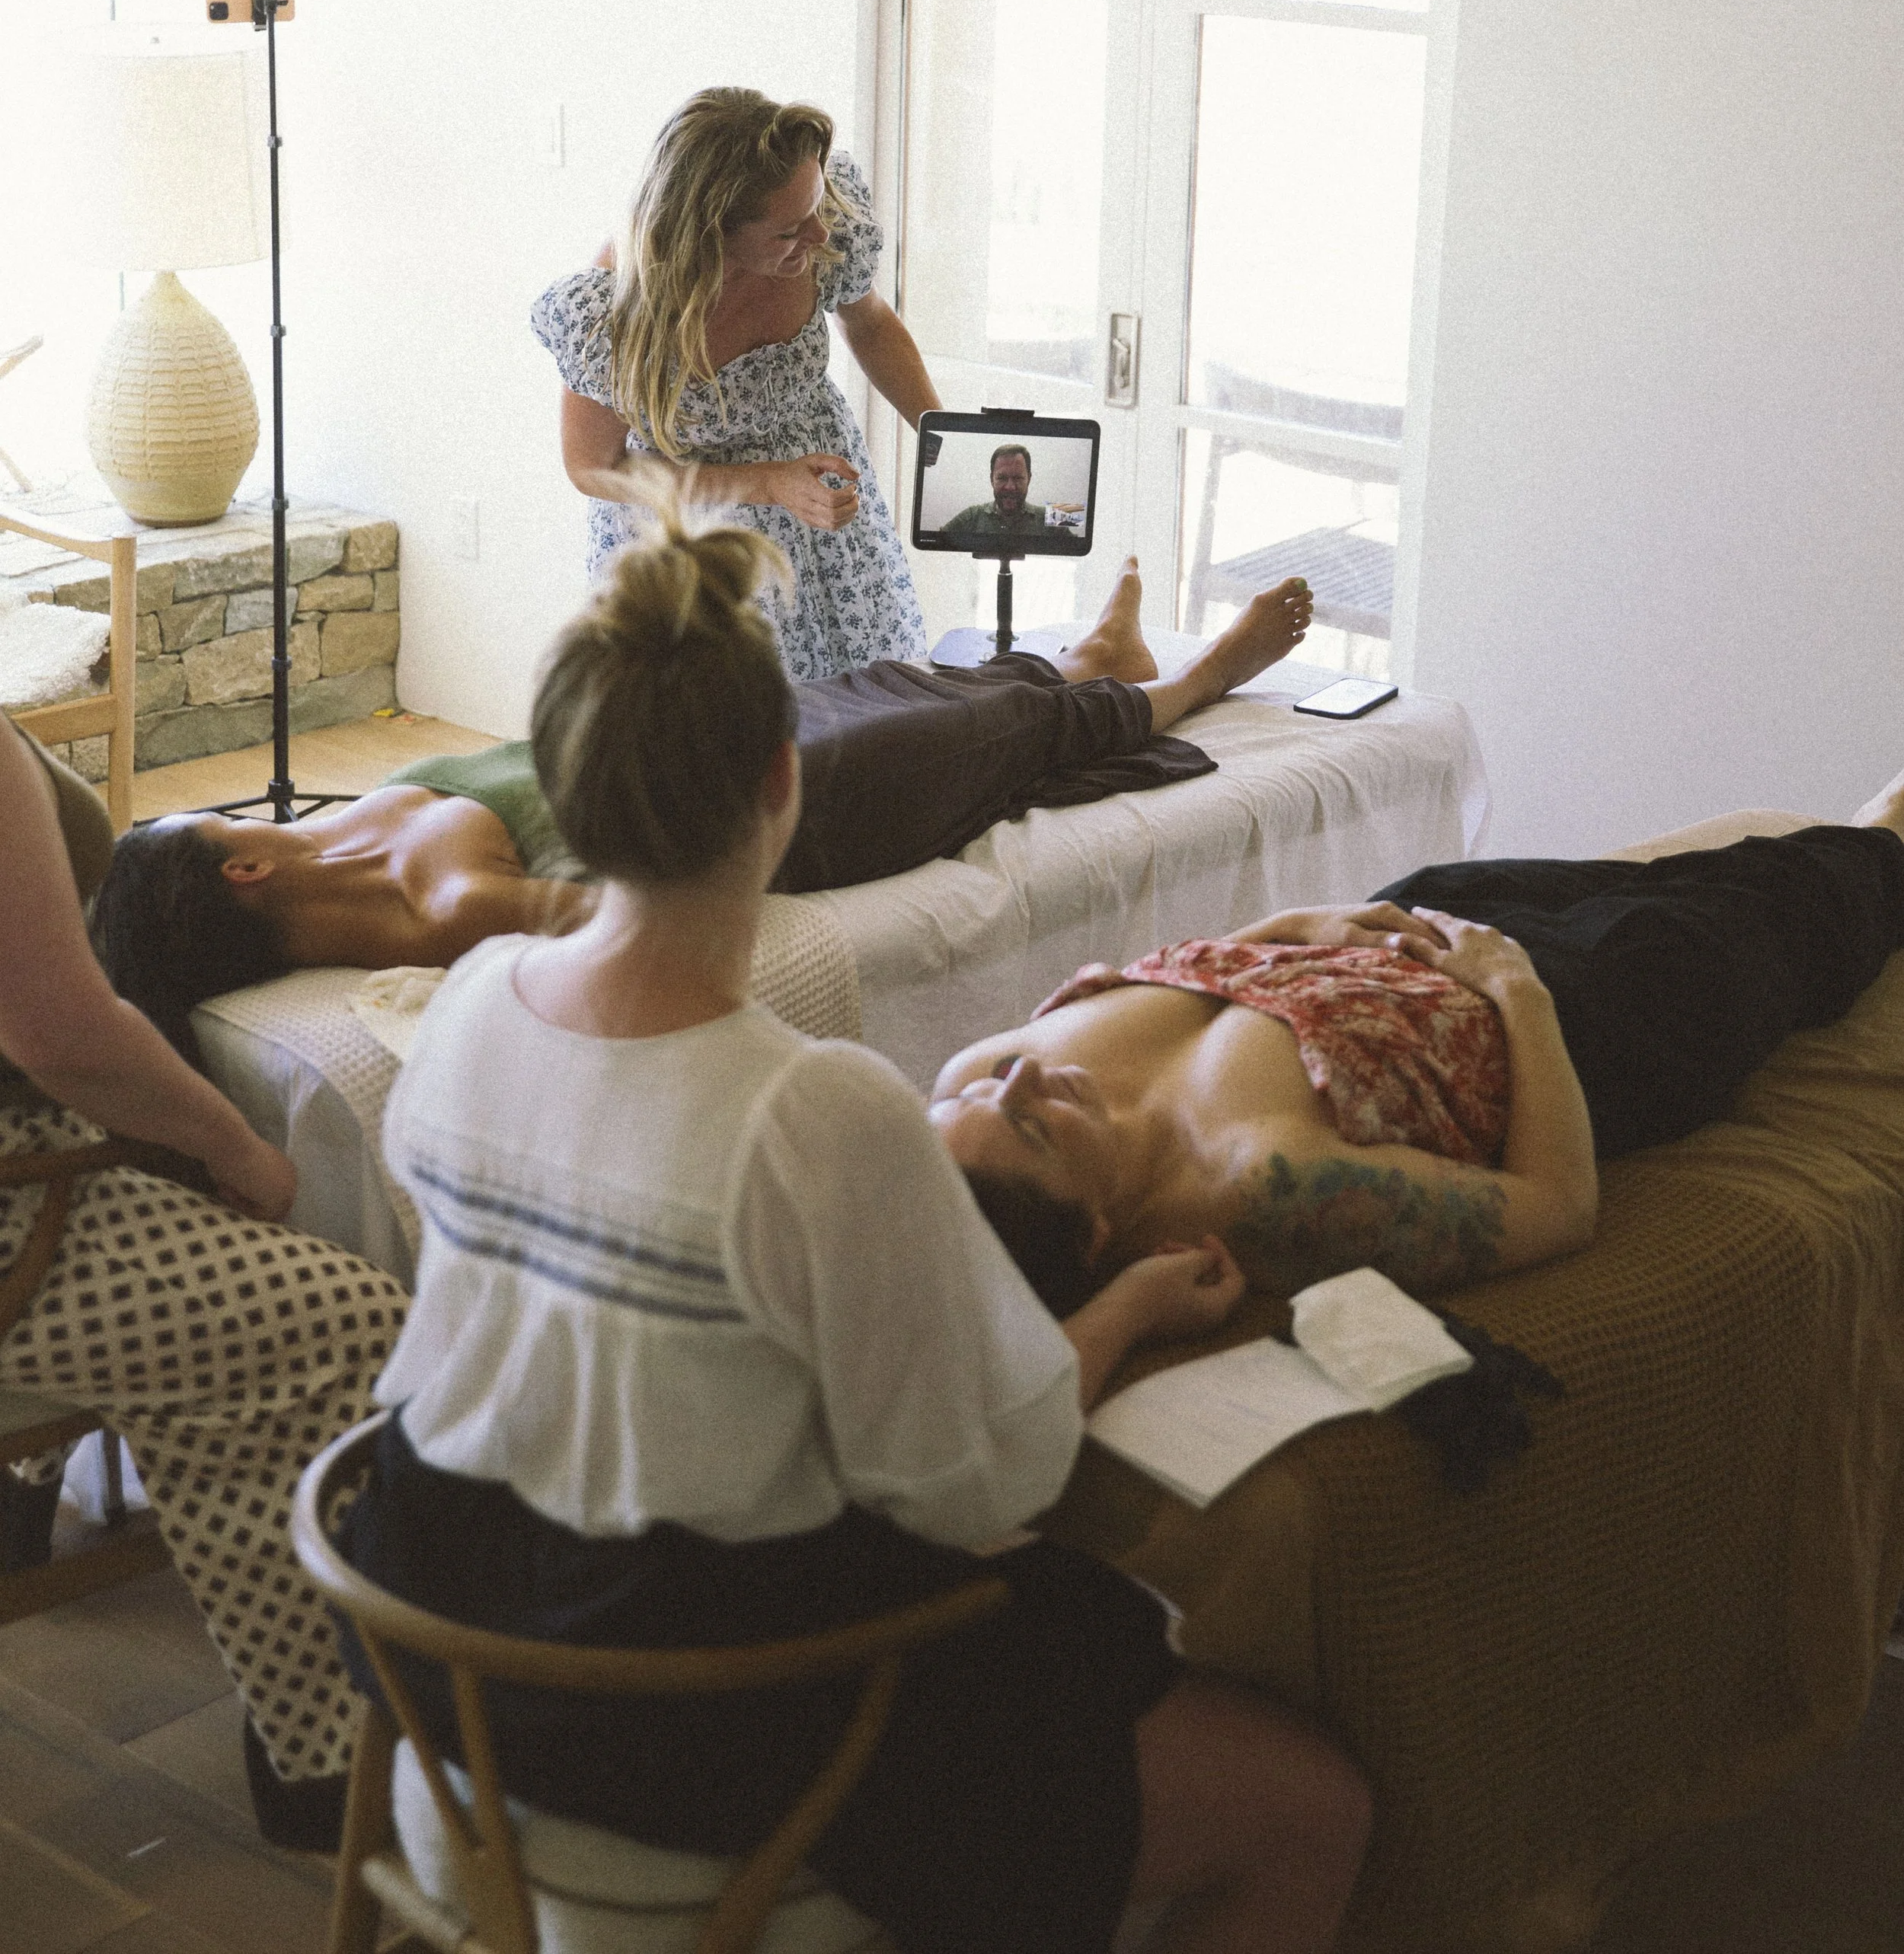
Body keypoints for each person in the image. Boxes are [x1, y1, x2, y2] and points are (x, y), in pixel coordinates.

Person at [334, 499, 1370, 1954]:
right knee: (1306, 1806)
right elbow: (976, 1486)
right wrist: (1125, 1308)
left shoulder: (463, 1013)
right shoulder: (814, 1115)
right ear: (782, 781)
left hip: (445, 1676)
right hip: (664, 1741)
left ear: (563, 785)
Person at [91, 563, 1315, 1042]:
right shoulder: (446, 903)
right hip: (757, 806)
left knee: (891, 681)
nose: (234, 816)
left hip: (685, 733)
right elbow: (655, 903)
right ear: (238, 874)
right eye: (207, 825)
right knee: (984, 734)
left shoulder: (324, 834)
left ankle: (1099, 663)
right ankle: (1201, 680)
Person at [928, 786, 1904, 1314]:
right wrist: (1516, 988)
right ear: (1095, 1233)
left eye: (986, 1094)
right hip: (1586, 1017)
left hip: (1423, 918)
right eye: (1034, 1122)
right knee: (1828, 885)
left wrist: (1296, 922)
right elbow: (1558, 1210)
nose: (1018, 1075)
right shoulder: (1263, 1189)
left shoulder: (968, 1080)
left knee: (1731, 857)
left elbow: (1183, 977)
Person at [0, 717, 408, 1850]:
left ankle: (22, 1497)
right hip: (17, 1214)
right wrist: (236, 1147)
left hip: (42, 1159)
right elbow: (58, 1030)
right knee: (348, 1315)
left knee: (140, 1151)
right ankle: (322, 1763)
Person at [537, 86, 938, 679]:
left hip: (828, 542)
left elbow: (871, 323)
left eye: (817, 207)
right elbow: (593, 467)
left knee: (860, 722)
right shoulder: (614, 310)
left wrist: (944, 438)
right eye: (790, 230)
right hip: (695, 550)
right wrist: (767, 484)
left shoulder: (820, 224)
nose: (820, 236)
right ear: (710, 231)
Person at [938, 441, 1084, 545]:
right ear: (991, 479)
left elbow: (1080, 551)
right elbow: (936, 543)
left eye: (1018, 478)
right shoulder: (971, 516)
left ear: (1029, 479)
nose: (1010, 487)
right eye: (1002, 478)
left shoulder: (1052, 516)